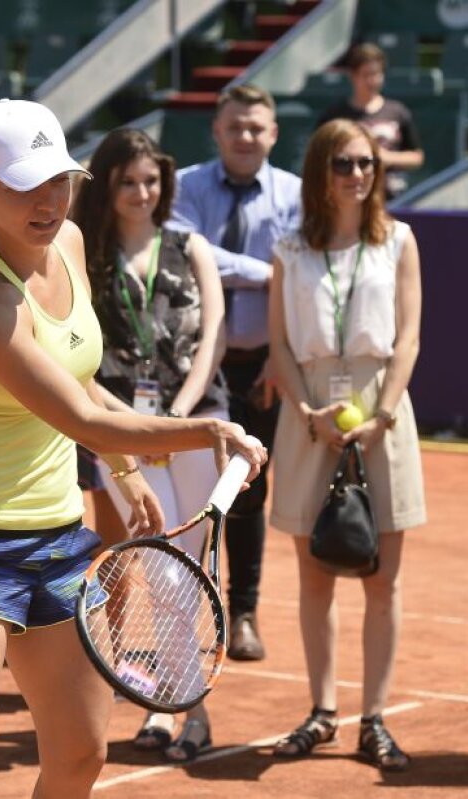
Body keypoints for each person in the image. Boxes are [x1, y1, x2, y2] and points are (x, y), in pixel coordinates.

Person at [0, 99, 266, 798]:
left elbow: (83, 377)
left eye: (58, 180)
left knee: (80, 753)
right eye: (25, 185)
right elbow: (80, 418)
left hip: (60, 543)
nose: (48, 200)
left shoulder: (66, 242)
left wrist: (124, 473)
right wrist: (209, 429)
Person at [266, 118, 426, 772]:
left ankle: (376, 719)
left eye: (366, 163)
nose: (357, 175)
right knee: (315, 577)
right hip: (310, 413)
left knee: (382, 581)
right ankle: (322, 709)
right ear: (320, 172)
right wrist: (309, 415)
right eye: (343, 164)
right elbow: (278, 343)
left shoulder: (399, 241)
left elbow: (409, 337)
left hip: (382, 412)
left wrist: (381, 416)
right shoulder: (289, 249)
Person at [70, 127, 228, 763]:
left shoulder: (192, 247)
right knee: (162, 571)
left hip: (197, 426)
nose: (141, 192)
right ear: (107, 186)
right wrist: (135, 427)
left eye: (152, 181)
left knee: (194, 566)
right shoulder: (83, 255)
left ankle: (177, 704)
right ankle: (183, 709)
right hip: (119, 431)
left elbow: (214, 333)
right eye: (128, 181)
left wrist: (180, 416)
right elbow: (75, 356)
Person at [169, 83, 302, 662]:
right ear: (217, 132)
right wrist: (268, 271)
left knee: (250, 490)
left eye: (257, 128)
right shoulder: (184, 187)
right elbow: (192, 252)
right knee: (187, 493)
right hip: (195, 367)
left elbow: (301, 273)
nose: (246, 137)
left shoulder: (296, 194)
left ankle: (241, 611)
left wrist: (281, 352)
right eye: (235, 127)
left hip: (263, 365)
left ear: (273, 135)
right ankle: (179, 616)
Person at [317, 42, 425, 199]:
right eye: (366, 74)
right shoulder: (335, 115)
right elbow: (319, 154)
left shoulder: (397, 112)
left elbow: (417, 157)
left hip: (391, 194)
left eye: (376, 74)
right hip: (349, 194)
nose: (372, 80)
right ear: (353, 76)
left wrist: (387, 157)